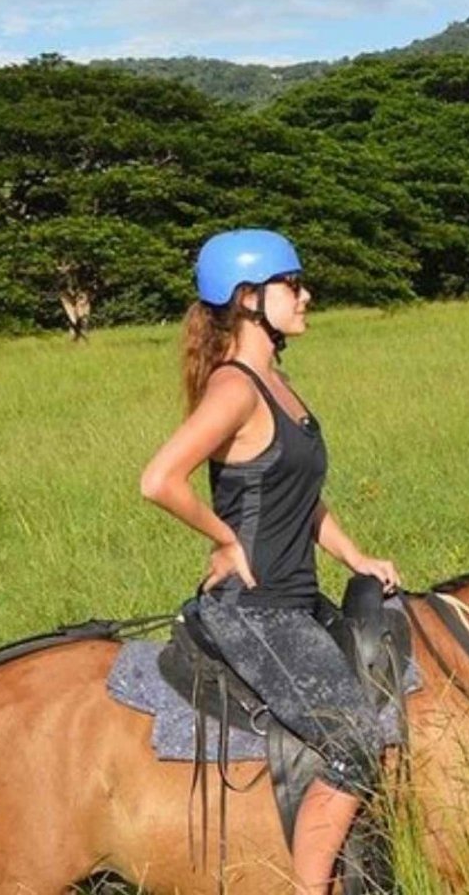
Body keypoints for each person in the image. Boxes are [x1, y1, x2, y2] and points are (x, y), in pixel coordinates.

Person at [140, 227, 401, 894]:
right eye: (293, 284)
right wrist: (226, 538)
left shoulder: (276, 383)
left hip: (296, 597)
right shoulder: (235, 389)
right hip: (255, 611)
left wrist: (356, 555)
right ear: (248, 297)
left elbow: (301, 496)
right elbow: (160, 478)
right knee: (353, 742)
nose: (305, 294)